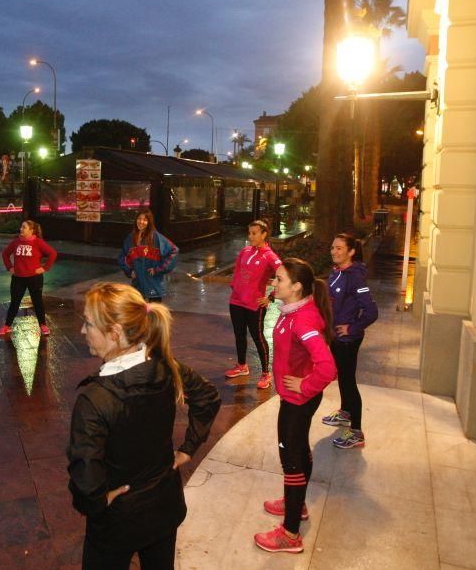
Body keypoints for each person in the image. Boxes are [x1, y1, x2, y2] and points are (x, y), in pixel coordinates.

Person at [68, 282, 220, 569]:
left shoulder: (94, 399)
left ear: (114, 334)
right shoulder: (167, 367)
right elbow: (208, 398)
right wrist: (188, 448)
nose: (82, 330)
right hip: (164, 506)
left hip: (117, 521)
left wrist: (96, 503)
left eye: (88, 323)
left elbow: (85, 473)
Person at [254, 258, 337, 555]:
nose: (273, 284)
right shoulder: (293, 310)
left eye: (279, 280)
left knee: (291, 457)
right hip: (294, 398)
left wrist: (305, 385)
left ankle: (290, 534)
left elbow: (327, 368)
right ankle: (297, 504)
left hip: (298, 400)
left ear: (297, 287)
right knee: (299, 448)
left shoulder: (302, 319)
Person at [321, 233, 379, 449]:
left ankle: (356, 433)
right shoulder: (338, 272)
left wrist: (352, 327)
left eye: (339, 248)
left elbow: (372, 312)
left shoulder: (355, 276)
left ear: (351, 252)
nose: (333, 251)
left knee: (349, 382)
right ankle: (345, 413)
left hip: (347, 340)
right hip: (336, 336)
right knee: (344, 379)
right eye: (332, 248)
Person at [225, 220, 281, 389]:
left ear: (264, 234)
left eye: (254, 233)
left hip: (254, 305)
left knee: (258, 338)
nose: (250, 236)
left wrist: (270, 297)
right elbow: (236, 271)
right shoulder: (245, 251)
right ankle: (242, 366)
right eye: (249, 233)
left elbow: (284, 276)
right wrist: (235, 288)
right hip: (236, 302)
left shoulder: (270, 255)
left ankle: (266, 373)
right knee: (239, 336)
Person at [0, 219, 57, 337]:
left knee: (37, 301)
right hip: (18, 278)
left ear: (31, 230)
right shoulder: (16, 242)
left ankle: (43, 325)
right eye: (21, 227)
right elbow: (5, 254)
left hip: (34, 278)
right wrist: (10, 267)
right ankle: (7, 326)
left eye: (24, 227)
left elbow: (52, 253)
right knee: (15, 302)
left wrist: (44, 268)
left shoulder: (38, 242)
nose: (21, 229)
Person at [118, 208, 178, 302]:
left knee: (154, 312)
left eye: (145, 220)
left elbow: (174, 250)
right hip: (137, 282)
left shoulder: (156, 238)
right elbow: (123, 257)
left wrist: (159, 269)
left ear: (149, 222)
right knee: (137, 310)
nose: (141, 222)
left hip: (153, 282)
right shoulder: (131, 238)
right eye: (139, 218)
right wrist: (130, 271)